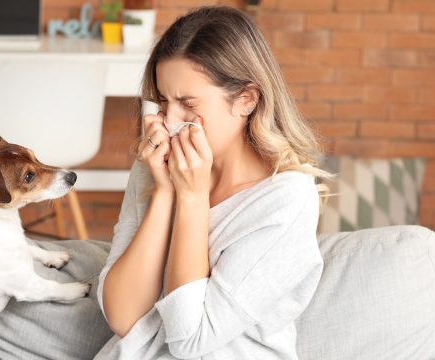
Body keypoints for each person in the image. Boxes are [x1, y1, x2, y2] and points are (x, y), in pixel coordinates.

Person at [95, 5, 330, 359]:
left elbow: (189, 341)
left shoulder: (286, 199)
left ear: (246, 100)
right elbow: (122, 316)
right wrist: (165, 192)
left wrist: (192, 197)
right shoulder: (155, 166)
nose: (170, 121)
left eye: (188, 104)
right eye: (163, 101)